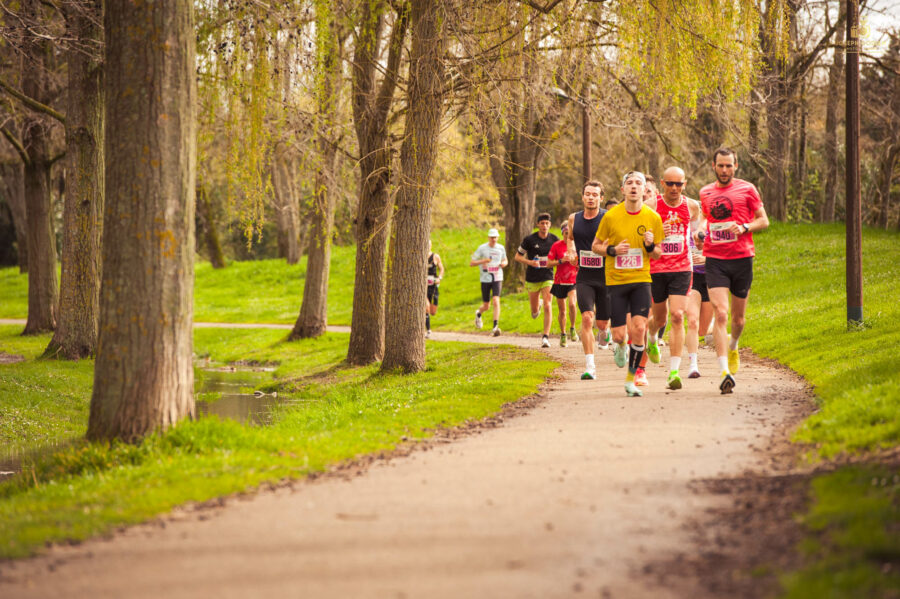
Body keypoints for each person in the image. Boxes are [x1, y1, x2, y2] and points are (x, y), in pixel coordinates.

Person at [698, 148, 769, 394]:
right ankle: (723, 370)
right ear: (713, 166)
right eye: (721, 166)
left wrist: (745, 226)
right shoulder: (705, 192)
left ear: (736, 165)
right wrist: (701, 234)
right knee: (720, 313)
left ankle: (734, 345)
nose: (725, 170)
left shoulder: (748, 189)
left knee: (738, 320)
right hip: (715, 259)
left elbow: (764, 220)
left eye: (729, 166)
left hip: (742, 259)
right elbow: (707, 220)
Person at [592, 171, 664, 397]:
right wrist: (612, 250)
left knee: (640, 328)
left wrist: (650, 246)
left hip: (641, 279)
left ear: (645, 190)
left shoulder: (653, 218)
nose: (634, 187)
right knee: (620, 335)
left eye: (638, 183)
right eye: (629, 183)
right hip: (615, 281)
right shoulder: (611, 217)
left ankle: (632, 378)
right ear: (622, 190)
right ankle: (620, 347)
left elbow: (658, 255)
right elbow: (596, 246)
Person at [640, 166, 702, 390]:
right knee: (660, 320)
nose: (674, 188)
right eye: (670, 184)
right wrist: (658, 233)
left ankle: (673, 371)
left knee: (677, 316)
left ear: (684, 184)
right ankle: (652, 337)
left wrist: (700, 237)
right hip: (656, 268)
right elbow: (643, 239)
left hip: (682, 267)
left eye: (679, 184)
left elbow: (701, 226)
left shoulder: (691, 206)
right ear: (662, 183)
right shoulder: (651, 206)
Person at [565, 180, 610, 380]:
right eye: (588, 194)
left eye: (595, 195)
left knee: (601, 323)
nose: (591, 198)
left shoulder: (607, 217)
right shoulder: (573, 218)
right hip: (584, 276)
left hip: (606, 276)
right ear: (583, 197)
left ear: (601, 198)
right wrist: (571, 250)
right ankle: (590, 366)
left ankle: (606, 333)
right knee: (586, 317)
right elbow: (570, 238)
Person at [515, 213, 558, 348]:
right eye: (542, 223)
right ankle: (536, 306)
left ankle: (545, 336)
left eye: (547, 223)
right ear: (537, 224)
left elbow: (560, 257)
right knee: (534, 312)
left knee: (548, 304)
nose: (544, 226)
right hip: (532, 278)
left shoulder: (555, 240)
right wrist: (530, 262)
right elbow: (517, 256)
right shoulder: (529, 240)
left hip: (548, 276)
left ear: (550, 225)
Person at [685, 214, 713, 378]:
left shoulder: (714, 234)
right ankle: (693, 365)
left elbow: (724, 258)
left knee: (702, 330)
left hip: (710, 281)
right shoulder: (683, 235)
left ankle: (712, 326)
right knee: (693, 322)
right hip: (693, 280)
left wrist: (706, 259)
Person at [470, 228, 508, 337]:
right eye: (492, 237)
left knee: (496, 300)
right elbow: (472, 263)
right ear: (488, 238)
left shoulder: (501, 248)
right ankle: (478, 313)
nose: (494, 239)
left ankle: (495, 327)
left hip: (497, 277)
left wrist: (503, 264)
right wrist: (483, 261)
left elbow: (505, 260)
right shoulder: (482, 248)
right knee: (486, 306)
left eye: (495, 237)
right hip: (485, 278)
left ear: (498, 237)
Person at [547, 221, 579, 347]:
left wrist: (575, 262)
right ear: (562, 233)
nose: (568, 236)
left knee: (572, 304)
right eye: (566, 233)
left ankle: (572, 328)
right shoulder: (556, 246)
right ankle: (563, 333)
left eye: (570, 233)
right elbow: (549, 263)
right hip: (559, 281)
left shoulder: (577, 245)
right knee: (562, 311)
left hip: (573, 280)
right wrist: (561, 260)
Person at [425, 239, 444, 339]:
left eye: (428, 245)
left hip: (434, 286)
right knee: (426, 308)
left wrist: (439, 278)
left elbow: (441, 269)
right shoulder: (421, 256)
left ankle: (425, 323)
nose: (427, 246)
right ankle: (428, 330)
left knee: (433, 312)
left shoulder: (435, 256)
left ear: (431, 246)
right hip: (423, 287)